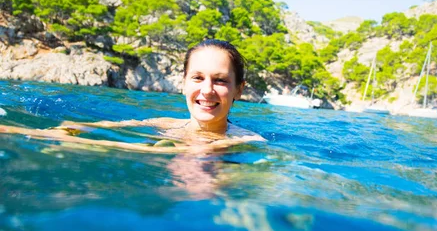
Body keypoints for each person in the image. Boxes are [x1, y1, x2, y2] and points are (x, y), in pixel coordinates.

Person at [0, 39, 265, 153]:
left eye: (220, 80)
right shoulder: (165, 124)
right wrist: (66, 131)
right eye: (197, 77)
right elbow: (99, 127)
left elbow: (144, 152)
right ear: (183, 83)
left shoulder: (247, 140)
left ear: (238, 89)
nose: (206, 90)